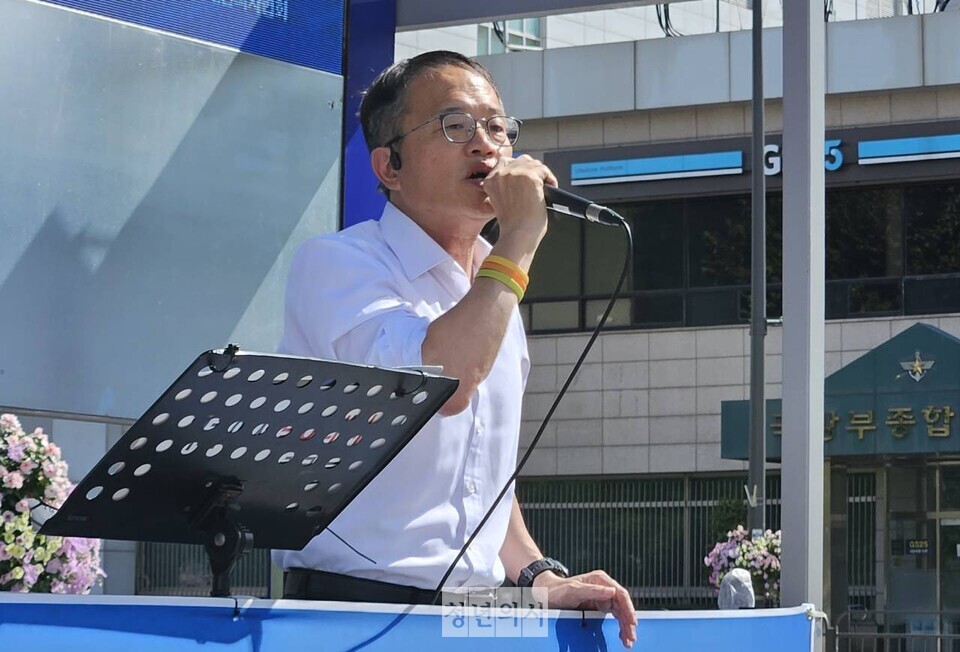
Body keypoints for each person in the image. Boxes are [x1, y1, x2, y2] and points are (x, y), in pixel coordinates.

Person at [272, 50, 637, 648]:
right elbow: (443, 383)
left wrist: (538, 574)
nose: (486, 145)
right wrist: (517, 241)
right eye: (455, 125)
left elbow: (481, 476)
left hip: (475, 616)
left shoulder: (493, 290)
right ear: (389, 166)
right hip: (351, 615)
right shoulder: (341, 263)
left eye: (497, 127)